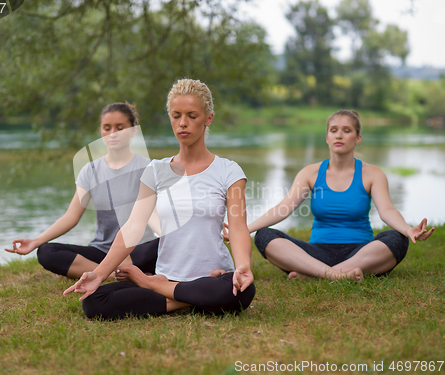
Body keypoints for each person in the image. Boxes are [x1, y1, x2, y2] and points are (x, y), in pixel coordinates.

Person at [64, 79, 255, 320]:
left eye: (192, 116)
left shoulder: (229, 171)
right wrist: (100, 273)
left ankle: (157, 287)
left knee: (242, 290)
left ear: (208, 119)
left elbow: (238, 227)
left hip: (214, 275)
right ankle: (189, 297)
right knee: (94, 302)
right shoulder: (156, 170)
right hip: (170, 274)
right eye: (176, 116)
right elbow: (133, 227)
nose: (182, 123)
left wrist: (242, 267)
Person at [231, 109, 434, 281]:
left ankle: (314, 274)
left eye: (347, 131)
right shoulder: (310, 173)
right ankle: (337, 275)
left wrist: (408, 230)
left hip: (361, 252)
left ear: (358, 138)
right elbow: (283, 209)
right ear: (327, 137)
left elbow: (387, 211)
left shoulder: (372, 174)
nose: (339, 135)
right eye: (333, 130)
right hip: (317, 252)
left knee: (396, 239)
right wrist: (243, 230)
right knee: (265, 236)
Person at [5, 103, 160, 279]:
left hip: (138, 251)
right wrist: (36, 240)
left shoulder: (149, 168)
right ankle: (112, 275)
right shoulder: (90, 170)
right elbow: (71, 216)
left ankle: (128, 271)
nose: (112, 133)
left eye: (120, 127)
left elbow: (157, 217)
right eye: (106, 128)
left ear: (133, 131)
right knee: (47, 252)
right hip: (102, 251)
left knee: (164, 243)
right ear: (100, 131)